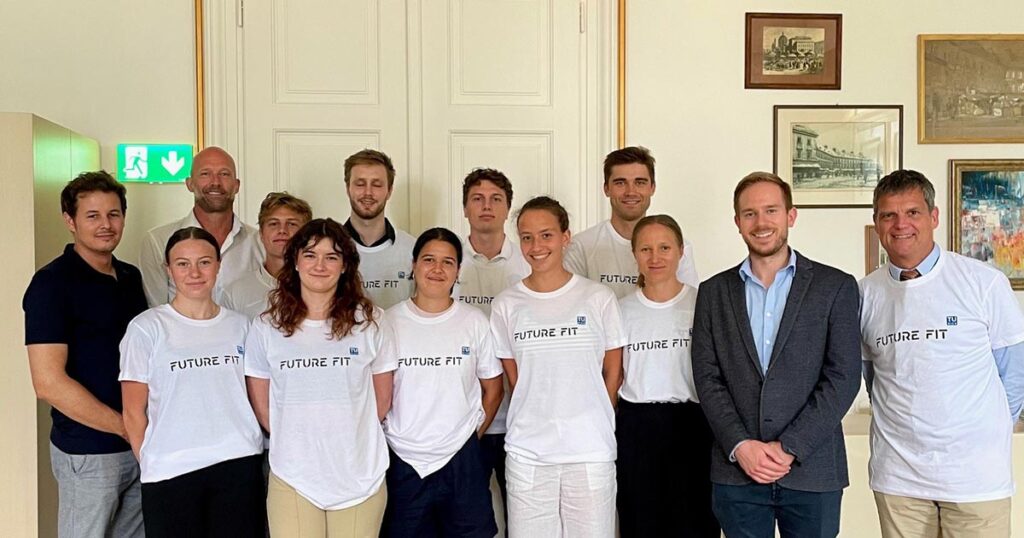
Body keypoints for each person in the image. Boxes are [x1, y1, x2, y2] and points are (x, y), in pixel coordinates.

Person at [691, 172, 861, 538]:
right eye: (749, 213)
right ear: (737, 222)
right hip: (737, 470)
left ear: (791, 215)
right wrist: (740, 445)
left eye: (771, 210)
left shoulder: (836, 287)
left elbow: (843, 378)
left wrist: (789, 448)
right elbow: (708, 378)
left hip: (812, 470)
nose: (761, 222)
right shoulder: (712, 293)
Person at [860, 170, 1024, 538]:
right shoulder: (864, 293)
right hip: (899, 479)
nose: (901, 224)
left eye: (913, 212)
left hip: (975, 480)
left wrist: (984, 432)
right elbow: (873, 377)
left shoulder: (982, 283)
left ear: (933, 217)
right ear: (877, 222)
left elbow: (1014, 373)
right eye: (889, 215)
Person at [245, 218, 397, 537]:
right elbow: (263, 404)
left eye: (332, 256)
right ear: (296, 262)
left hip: (359, 476)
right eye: (311, 254)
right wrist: (302, 436)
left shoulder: (371, 322)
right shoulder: (266, 327)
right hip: (294, 476)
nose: (320, 265)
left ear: (345, 266)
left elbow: (381, 401)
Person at [490, 196, 624, 537]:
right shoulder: (507, 304)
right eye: (527, 237)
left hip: (590, 451)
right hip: (529, 454)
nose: (536, 246)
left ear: (566, 237)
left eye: (546, 235)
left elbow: (613, 372)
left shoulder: (598, 298)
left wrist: (592, 412)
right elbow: (514, 378)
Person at [23, 171, 148, 538]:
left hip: (139, 446)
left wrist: (139, 432)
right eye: (92, 216)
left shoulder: (129, 277)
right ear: (70, 221)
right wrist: (124, 426)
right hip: (89, 453)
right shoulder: (52, 284)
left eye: (114, 214)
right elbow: (47, 382)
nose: (106, 225)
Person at [119, 227, 265, 537]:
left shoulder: (243, 327)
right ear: (168, 269)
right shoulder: (146, 328)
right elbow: (133, 411)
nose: (194, 273)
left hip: (238, 464)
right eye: (183, 263)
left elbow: (256, 397)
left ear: (218, 265)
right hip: (171, 471)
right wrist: (151, 459)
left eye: (204, 262)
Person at [380, 227, 503, 538]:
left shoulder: (474, 321)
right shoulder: (387, 322)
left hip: (461, 458)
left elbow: (493, 388)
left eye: (448, 262)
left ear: (458, 270)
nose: (437, 269)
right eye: (429, 259)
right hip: (403, 459)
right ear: (413, 264)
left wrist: (469, 436)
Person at [616, 215, 719, 537]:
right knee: (641, 520)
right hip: (637, 426)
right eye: (645, 249)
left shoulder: (703, 302)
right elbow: (612, 372)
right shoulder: (619, 309)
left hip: (694, 424)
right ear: (634, 254)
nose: (655, 257)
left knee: (696, 520)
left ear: (680, 251)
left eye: (664, 247)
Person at [453, 168, 530, 530]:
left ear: (508, 208)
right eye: (477, 199)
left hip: (521, 419)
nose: (487, 206)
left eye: (496, 199)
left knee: (525, 519)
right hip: (465, 421)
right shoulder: (446, 261)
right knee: (467, 521)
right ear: (465, 208)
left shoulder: (530, 259)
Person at [564, 146, 699, 296]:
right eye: (620, 183)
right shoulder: (581, 246)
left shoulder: (679, 247)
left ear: (652, 188)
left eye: (640, 182)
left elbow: (688, 304)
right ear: (606, 189)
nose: (630, 192)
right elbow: (571, 305)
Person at [139, 146, 262, 306]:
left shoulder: (260, 243)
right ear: (189, 184)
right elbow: (157, 312)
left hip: (245, 331)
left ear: (236, 185)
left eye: (224, 174)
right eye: (205, 174)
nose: (216, 182)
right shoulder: (157, 241)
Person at [342, 149, 415, 309]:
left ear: (389, 191)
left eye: (377, 185)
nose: (368, 193)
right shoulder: (329, 249)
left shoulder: (412, 249)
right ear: (348, 188)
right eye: (360, 184)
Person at [222, 191, 313, 319]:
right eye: (273, 224)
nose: (282, 230)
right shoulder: (234, 293)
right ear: (261, 234)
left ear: (306, 234)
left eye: (291, 224)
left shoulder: (320, 288)